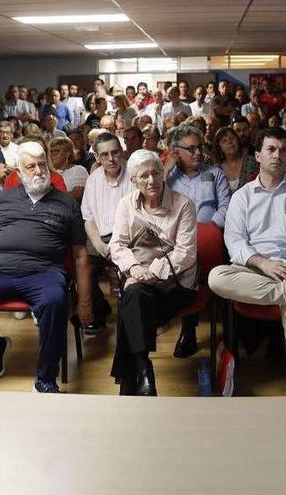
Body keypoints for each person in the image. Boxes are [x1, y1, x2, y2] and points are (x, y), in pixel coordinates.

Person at [0, 141, 92, 393]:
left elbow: (80, 255)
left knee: (54, 303)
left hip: (44, 272)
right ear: (20, 172)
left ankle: (45, 378)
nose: (38, 170)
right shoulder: (4, 198)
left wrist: (85, 301)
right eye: (30, 166)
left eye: (42, 164)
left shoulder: (66, 203)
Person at [208, 126, 286, 397]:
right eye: (271, 149)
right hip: (256, 270)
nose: (277, 155)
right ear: (258, 156)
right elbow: (235, 243)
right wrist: (264, 264)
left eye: (283, 150)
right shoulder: (242, 196)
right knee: (216, 276)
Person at [109, 150, 198, 396]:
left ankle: (133, 376)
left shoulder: (183, 205)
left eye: (156, 173)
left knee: (130, 301)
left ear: (163, 174)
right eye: (144, 176)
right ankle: (144, 368)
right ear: (133, 181)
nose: (151, 180)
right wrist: (136, 269)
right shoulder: (126, 204)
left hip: (176, 286)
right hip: (141, 284)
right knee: (135, 296)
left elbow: (186, 253)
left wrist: (153, 271)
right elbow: (116, 245)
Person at [165, 124, 230, 357]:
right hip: (178, 244)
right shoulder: (168, 178)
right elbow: (155, 207)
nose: (197, 153)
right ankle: (188, 329)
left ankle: (227, 328)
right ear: (175, 151)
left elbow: (225, 207)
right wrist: (165, 170)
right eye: (190, 148)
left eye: (200, 147)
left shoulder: (214, 173)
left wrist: (207, 232)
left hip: (210, 241)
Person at [81, 133, 130, 332]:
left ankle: (131, 318)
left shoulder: (134, 173)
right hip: (100, 236)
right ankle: (101, 310)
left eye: (115, 152)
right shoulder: (93, 179)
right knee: (84, 270)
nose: (111, 159)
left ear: (122, 151)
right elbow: (88, 218)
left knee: (131, 272)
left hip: (129, 237)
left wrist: (118, 244)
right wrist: (99, 244)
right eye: (105, 155)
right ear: (98, 158)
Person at [212, 126, 255, 193]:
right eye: (224, 141)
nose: (230, 142)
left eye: (232, 138)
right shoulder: (217, 169)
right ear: (220, 148)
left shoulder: (250, 161)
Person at [48, 136, 88, 202]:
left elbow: (77, 194)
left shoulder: (78, 170)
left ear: (67, 153)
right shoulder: (48, 173)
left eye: (56, 151)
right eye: (51, 151)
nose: (52, 155)